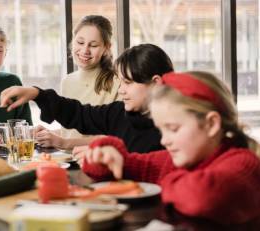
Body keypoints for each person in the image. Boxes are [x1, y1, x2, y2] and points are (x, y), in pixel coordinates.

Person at [82, 71, 260, 224]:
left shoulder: (244, 165)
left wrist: (164, 181)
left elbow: (201, 196)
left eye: (173, 129)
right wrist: (106, 156)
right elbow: (129, 165)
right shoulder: (183, 157)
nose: (164, 141)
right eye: (161, 130)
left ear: (211, 124)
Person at [0, 44, 174, 159]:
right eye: (120, 82)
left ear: (156, 83)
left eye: (128, 83)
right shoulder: (119, 113)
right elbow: (79, 113)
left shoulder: (176, 125)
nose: (121, 90)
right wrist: (37, 94)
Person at [35, 15, 119, 151]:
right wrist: (50, 134)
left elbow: (115, 137)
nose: (85, 50)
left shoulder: (118, 82)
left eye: (93, 45)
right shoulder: (67, 81)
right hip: (70, 160)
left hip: (99, 162)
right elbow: (72, 132)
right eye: (80, 42)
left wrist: (63, 143)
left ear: (106, 48)